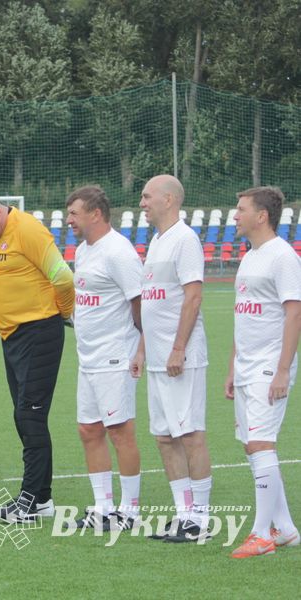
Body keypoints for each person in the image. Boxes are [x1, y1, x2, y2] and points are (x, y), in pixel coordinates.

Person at [0, 192, 74, 522]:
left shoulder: (27, 229)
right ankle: (42, 499)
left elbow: (62, 276)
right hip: (12, 336)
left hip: (39, 331)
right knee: (23, 415)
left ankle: (29, 501)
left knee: (30, 415)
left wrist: (64, 312)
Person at [225, 187, 301, 558]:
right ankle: (284, 529)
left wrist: (283, 370)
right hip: (246, 365)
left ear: (262, 216)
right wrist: (232, 366)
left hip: (270, 365)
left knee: (260, 443)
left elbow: (295, 313)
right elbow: (243, 315)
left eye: (241, 209)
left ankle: (261, 535)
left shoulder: (283, 257)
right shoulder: (250, 256)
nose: (235, 215)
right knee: (250, 444)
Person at [137, 174, 212, 543]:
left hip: (180, 357)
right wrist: (142, 349)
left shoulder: (185, 239)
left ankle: (201, 519)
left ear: (168, 199)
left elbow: (193, 297)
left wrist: (179, 348)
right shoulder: (156, 241)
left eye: (147, 196)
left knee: (190, 434)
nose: (142, 203)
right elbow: (151, 303)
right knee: (165, 438)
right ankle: (184, 515)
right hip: (156, 359)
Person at [65, 186, 143, 530]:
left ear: (95, 214)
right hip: (88, 358)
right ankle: (103, 507)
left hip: (115, 356)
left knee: (120, 431)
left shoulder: (119, 252)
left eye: (74, 213)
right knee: (88, 430)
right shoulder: (84, 250)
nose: (69, 220)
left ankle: (130, 511)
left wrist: (140, 348)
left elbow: (139, 303)